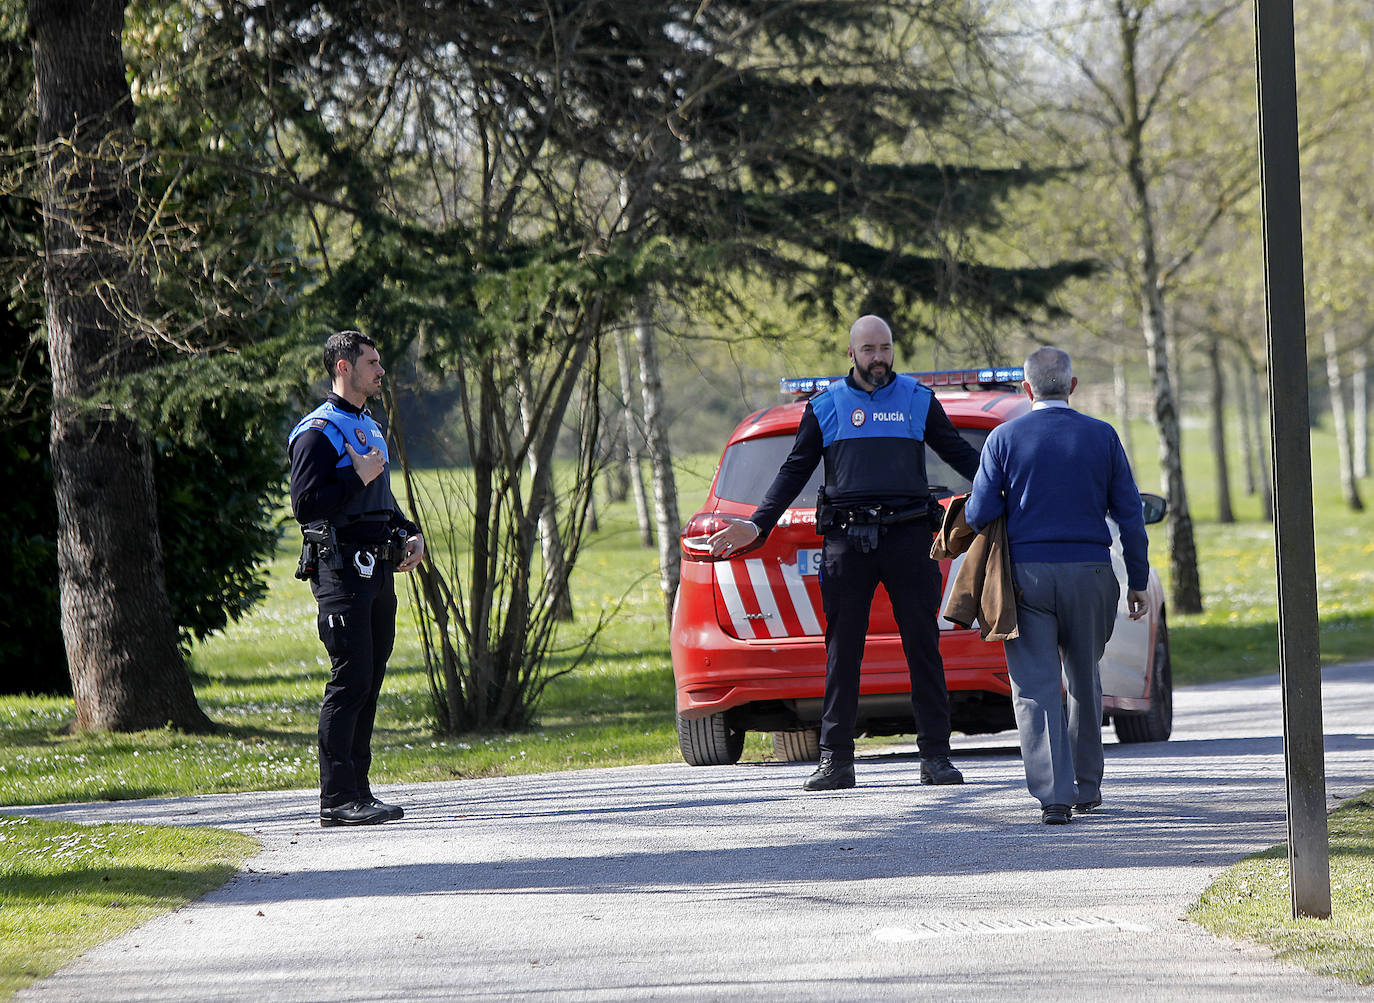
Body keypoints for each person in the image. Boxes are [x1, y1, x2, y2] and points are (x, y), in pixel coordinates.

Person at [708, 315, 981, 790]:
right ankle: (836, 760)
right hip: (846, 542)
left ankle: (936, 757)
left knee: (923, 648)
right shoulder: (827, 406)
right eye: (869, 349)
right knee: (842, 651)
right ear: (851, 354)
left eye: (885, 348)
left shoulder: (918, 400)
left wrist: (1011, 488)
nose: (879, 357)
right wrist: (757, 523)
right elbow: (795, 470)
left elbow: (961, 456)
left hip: (910, 537)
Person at [962, 346, 1149, 825]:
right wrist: (1139, 580)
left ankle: (1055, 797)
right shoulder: (1102, 436)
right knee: (1085, 676)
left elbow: (980, 513)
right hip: (1090, 573)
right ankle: (1088, 786)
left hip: (1027, 577)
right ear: (1072, 386)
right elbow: (1130, 513)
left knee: (1036, 686)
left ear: (1026, 389)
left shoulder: (1004, 439)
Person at [289, 330, 425, 827]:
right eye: (371, 362)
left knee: (369, 680)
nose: (380, 370)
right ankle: (336, 798)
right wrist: (356, 476)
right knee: (350, 680)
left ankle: (359, 791)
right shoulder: (317, 431)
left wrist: (409, 532)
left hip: (378, 569)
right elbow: (305, 504)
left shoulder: (367, 426)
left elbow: (380, 501)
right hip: (340, 570)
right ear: (343, 367)